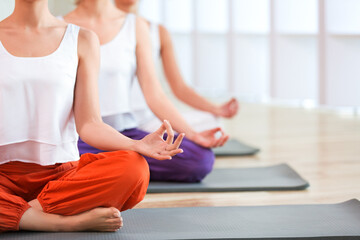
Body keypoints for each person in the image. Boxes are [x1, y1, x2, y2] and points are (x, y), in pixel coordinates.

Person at [0, 0, 184, 232]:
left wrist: (137, 144)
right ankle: (58, 222)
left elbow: (89, 124)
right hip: (3, 176)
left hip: (61, 178)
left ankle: (16, 215)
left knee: (134, 167)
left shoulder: (82, 39)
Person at [63, 0, 229, 183]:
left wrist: (192, 134)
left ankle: (107, 169)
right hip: (79, 139)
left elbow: (154, 93)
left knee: (199, 159)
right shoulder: (60, 26)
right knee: (58, 162)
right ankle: (119, 168)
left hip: (126, 135)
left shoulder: (135, 25)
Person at [115, 0, 240, 133]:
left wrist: (216, 109)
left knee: (213, 122)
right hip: (115, 120)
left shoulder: (158, 31)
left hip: (149, 120)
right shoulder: (100, 27)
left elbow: (179, 88)